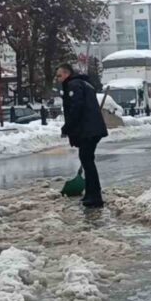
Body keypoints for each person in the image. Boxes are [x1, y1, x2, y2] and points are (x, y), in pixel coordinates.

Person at [56, 63, 109, 208]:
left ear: (67, 74)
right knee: (87, 159)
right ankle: (91, 193)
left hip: (88, 130)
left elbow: (76, 108)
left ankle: (95, 197)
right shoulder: (84, 84)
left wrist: (67, 127)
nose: (58, 79)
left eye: (60, 75)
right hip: (91, 129)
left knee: (87, 160)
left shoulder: (73, 85)